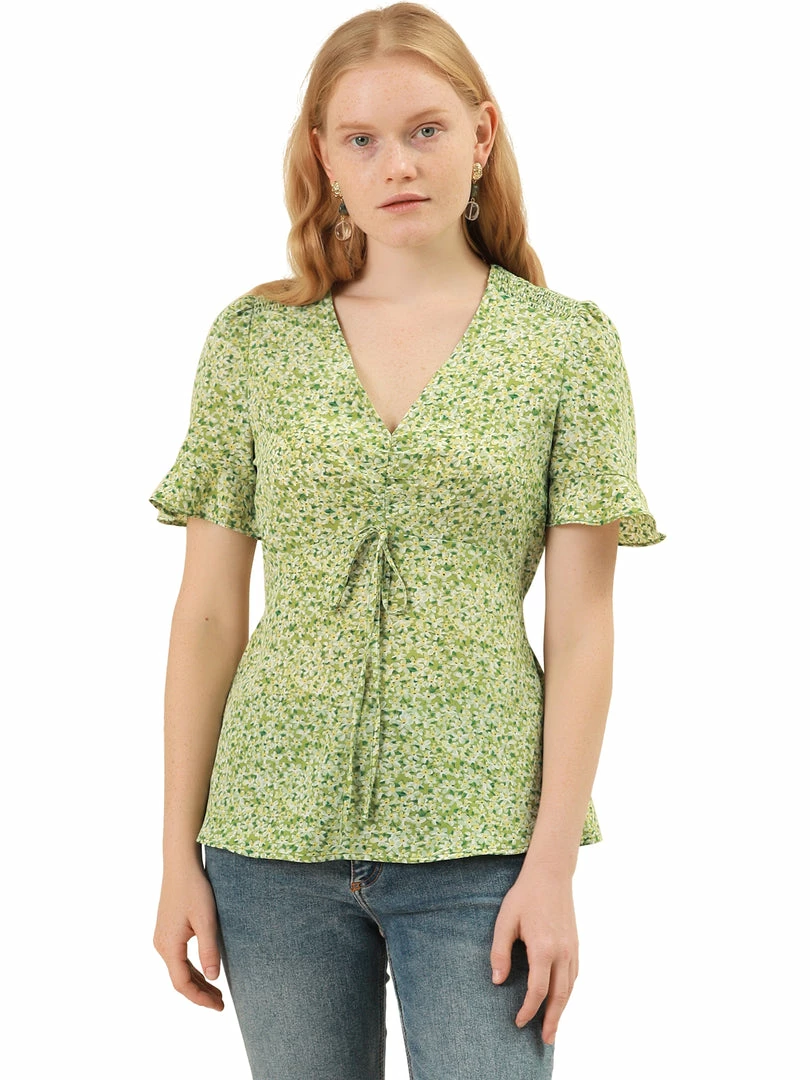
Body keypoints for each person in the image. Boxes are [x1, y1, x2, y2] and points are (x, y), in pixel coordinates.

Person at [149, 4, 666, 1077]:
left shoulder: (565, 348)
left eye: (426, 129)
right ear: (322, 157)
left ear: (482, 134)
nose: (398, 164)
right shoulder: (255, 343)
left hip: (484, 844)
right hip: (267, 837)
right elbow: (206, 613)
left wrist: (553, 868)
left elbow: (582, 624)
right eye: (363, 138)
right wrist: (174, 854)